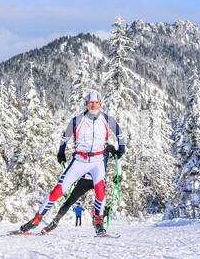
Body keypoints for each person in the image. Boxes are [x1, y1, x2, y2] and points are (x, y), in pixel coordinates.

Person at [20, 90, 125, 235]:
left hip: (98, 161)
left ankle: (98, 224)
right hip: (79, 160)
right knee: (58, 191)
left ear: (100, 104)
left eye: (96, 103)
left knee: (101, 192)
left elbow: (119, 133)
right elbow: (65, 137)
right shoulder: (77, 120)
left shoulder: (108, 120)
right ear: (87, 104)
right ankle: (36, 220)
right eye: (91, 103)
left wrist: (122, 148)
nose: (93, 105)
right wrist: (61, 152)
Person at [39, 144, 122, 234]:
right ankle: (54, 223)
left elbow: (117, 157)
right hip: (84, 180)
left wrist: (119, 174)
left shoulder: (108, 147)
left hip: (98, 179)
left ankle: (99, 226)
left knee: (102, 202)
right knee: (69, 201)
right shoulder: (85, 144)